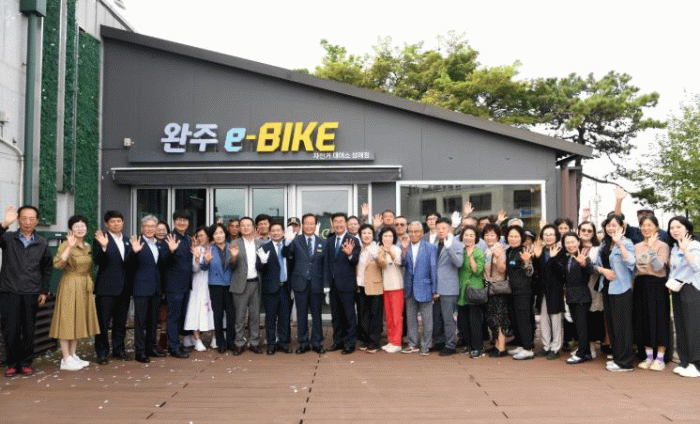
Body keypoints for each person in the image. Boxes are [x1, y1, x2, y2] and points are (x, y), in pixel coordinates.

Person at [0, 205, 52, 377]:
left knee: (29, 330)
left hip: (32, 291)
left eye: (31, 219)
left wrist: (44, 291)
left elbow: (47, 268)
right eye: (23, 218)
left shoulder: (42, 242)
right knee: (10, 330)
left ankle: (26, 363)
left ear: (37, 221)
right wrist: (4, 224)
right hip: (9, 290)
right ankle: (12, 363)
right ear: (18, 220)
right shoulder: (8, 238)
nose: (27, 222)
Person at [49, 215, 100, 371]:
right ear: (71, 229)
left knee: (78, 320)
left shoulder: (87, 246)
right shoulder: (66, 244)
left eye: (83, 226)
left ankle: (72, 355)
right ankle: (65, 358)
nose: (80, 229)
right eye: (76, 226)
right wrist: (69, 247)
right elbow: (58, 264)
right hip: (70, 284)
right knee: (67, 320)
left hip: (84, 284)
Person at [595, 214, 636, 372]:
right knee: (612, 325)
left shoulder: (626, 243)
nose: (611, 228)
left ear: (621, 227)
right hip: (607, 287)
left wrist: (620, 244)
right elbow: (596, 265)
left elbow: (632, 262)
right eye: (608, 225)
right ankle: (618, 358)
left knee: (622, 326)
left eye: (614, 225)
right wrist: (602, 270)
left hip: (622, 289)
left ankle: (625, 362)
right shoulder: (604, 244)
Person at [93, 211, 134, 365]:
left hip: (124, 288)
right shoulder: (100, 239)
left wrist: (135, 253)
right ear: (106, 224)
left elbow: (129, 264)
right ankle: (102, 353)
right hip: (106, 288)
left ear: (123, 222)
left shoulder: (128, 240)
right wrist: (104, 247)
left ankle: (119, 350)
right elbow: (97, 261)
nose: (116, 224)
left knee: (121, 322)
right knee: (103, 323)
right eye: (112, 221)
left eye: (119, 221)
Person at [129, 215, 168, 363]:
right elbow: (128, 263)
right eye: (147, 226)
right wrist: (134, 252)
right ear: (142, 227)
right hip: (141, 287)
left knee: (153, 321)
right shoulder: (137, 242)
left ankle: (151, 347)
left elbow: (160, 266)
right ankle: (140, 351)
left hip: (155, 288)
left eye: (153, 226)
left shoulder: (158, 244)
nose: (150, 229)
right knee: (140, 321)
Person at [633, 215, 670, 371]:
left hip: (657, 285)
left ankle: (660, 358)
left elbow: (658, 266)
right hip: (641, 284)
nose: (646, 228)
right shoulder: (637, 246)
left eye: (649, 225)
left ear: (656, 227)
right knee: (643, 320)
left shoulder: (662, 246)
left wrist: (652, 248)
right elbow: (635, 268)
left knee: (660, 320)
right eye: (643, 225)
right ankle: (648, 356)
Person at [285, 213, 326, 354]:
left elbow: (325, 265)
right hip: (300, 283)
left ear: (316, 225)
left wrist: (326, 285)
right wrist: (287, 243)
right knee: (301, 314)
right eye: (306, 223)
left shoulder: (322, 242)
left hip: (317, 283)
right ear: (302, 225)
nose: (309, 226)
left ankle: (317, 342)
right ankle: (303, 342)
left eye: (311, 223)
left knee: (317, 315)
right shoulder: (296, 241)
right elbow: (288, 256)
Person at [667, 216, 700, 378]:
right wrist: (670, 283)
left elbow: (697, 266)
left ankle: (696, 364)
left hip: (692, 288)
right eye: (672, 228)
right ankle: (685, 361)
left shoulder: (694, 245)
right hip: (677, 288)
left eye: (678, 227)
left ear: (687, 228)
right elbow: (674, 269)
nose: (675, 230)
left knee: (692, 326)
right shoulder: (674, 247)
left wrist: (686, 250)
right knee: (681, 326)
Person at [324, 212, 361, 354]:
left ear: (345, 224)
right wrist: (326, 285)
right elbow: (327, 263)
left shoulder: (353, 240)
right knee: (336, 316)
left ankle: (350, 343)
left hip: (347, 285)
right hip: (333, 285)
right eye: (336, 221)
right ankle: (338, 341)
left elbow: (355, 260)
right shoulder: (329, 241)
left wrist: (349, 254)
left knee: (349, 315)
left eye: (341, 221)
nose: (338, 224)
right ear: (332, 224)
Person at [256, 221, 293, 354]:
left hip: (285, 288)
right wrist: (263, 262)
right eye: (273, 231)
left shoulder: (288, 246)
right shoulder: (264, 248)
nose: (276, 233)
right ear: (270, 233)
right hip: (270, 288)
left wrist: (288, 245)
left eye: (278, 230)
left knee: (284, 317)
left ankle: (283, 343)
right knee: (270, 318)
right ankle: (271, 344)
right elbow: (258, 267)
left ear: (283, 233)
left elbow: (292, 261)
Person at [557, 232, 594, 364]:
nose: (570, 245)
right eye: (567, 242)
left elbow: (590, 270)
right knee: (578, 326)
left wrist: (583, 263)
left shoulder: (583, 256)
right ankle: (586, 352)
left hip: (582, 297)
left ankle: (581, 354)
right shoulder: (566, 258)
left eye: (573, 241)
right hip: (571, 296)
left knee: (582, 327)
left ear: (578, 242)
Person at [402, 221, 437, 355]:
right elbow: (403, 265)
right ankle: (412, 343)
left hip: (425, 287)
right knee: (411, 318)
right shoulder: (405, 246)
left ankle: (426, 345)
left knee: (427, 319)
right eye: (410, 231)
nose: (413, 234)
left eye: (416, 231)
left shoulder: (430, 247)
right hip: (409, 288)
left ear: (422, 233)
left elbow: (433, 268)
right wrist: (404, 250)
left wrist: (435, 289)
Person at [230, 217, 263, 355]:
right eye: (242, 225)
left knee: (255, 316)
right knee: (240, 316)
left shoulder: (260, 243)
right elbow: (231, 265)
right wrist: (233, 256)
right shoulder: (234, 243)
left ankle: (254, 342)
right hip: (240, 285)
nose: (245, 227)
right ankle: (239, 343)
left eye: (248, 225)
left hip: (256, 283)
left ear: (254, 228)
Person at [163, 210, 193, 358]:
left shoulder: (188, 239)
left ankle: (177, 342)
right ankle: (173, 347)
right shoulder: (169, 238)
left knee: (181, 316)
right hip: (174, 285)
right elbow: (163, 261)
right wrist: (171, 251)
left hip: (186, 285)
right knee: (174, 316)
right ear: (174, 222)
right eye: (179, 220)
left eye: (185, 220)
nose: (182, 223)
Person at [433, 217, 464, 356]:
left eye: (444, 228)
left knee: (448, 318)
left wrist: (449, 248)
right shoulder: (435, 243)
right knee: (437, 318)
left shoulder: (455, 243)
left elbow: (459, 263)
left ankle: (450, 345)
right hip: (436, 287)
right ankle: (440, 342)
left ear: (449, 228)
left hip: (449, 287)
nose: (441, 231)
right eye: (438, 228)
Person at [533, 224, 565, 359]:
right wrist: (536, 257)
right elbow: (537, 271)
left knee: (556, 319)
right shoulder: (540, 250)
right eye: (546, 234)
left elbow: (561, 272)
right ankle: (546, 346)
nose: (548, 237)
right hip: (542, 290)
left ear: (556, 236)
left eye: (551, 234)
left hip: (555, 290)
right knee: (544, 319)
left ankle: (555, 348)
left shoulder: (561, 251)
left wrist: (553, 258)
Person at [203, 223, 235, 353]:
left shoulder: (232, 247)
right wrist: (206, 261)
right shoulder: (209, 249)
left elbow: (236, 267)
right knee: (218, 314)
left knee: (231, 314)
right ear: (212, 236)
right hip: (216, 285)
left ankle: (231, 342)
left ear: (225, 234)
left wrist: (234, 257)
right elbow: (203, 267)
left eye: (221, 232)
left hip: (230, 285)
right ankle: (220, 343)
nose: (219, 235)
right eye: (216, 233)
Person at [504, 226, 535, 360]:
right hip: (511, 291)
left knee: (524, 319)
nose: (513, 239)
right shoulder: (508, 251)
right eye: (511, 236)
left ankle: (528, 348)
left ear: (521, 238)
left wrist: (527, 262)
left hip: (523, 291)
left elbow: (530, 272)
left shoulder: (525, 251)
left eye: (516, 236)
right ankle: (521, 344)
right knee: (515, 319)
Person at [184, 226, 215, 352]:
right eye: (198, 236)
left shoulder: (214, 248)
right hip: (197, 284)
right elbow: (193, 269)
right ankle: (197, 340)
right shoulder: (195, 249)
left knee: (213, 310)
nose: (200, 238)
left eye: (202, 235)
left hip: (211, 283)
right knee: (195, 310)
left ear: (208, 236)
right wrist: (197, 259)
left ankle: (215, 338)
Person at [457, 225, 486, 358]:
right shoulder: (460, 251)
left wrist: (470, 257)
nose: (468, 237)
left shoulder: (478, 252)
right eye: (466, 235)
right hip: (462, 290)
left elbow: (477, 271)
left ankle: (478, 347)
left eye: (471, 235)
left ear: (476, 238)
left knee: (475, 321)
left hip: (474, 289)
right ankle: (469, 344)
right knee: (463, 320)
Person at [578, 221, 605, 359]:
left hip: (593, 287)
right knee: (579, 317)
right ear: (579, 231)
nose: (586, 233)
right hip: (576, 287)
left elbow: (599, 267)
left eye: (589, 231)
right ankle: (582, 346)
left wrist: (586, 263)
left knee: (593, 316)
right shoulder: (573, 246)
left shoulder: (598, 249)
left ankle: (593, 346)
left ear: (593, 233)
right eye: (583, 230)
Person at [356, 224, 384, 353]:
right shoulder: (359, 248)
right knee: (363, 314)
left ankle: (374, 342)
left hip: (374, 285)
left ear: (373, 235)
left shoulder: (378, 248)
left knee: (375, 315)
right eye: (364, 233)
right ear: (360, 235)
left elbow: (383, 264)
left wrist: (376, 256)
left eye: (369, 233)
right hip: (361, 285)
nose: (366, 235)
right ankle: (365, 339)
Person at [377, 226, 403, 353]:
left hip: (396, 286)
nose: (387, 238)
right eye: (385, 236)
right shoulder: (379, 249)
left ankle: (397, 342)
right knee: (389, 316)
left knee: (396, 316)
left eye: (390, 236)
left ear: (394, 238)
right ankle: (391, 340)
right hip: (385, 287)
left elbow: (399, 262)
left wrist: (389, 252)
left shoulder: (396, 249)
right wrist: (383, 251)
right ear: (381, 237)